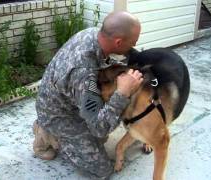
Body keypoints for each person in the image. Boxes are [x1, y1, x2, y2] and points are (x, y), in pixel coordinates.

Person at [33, 11, 143, 179]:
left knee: (101, 137)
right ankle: (48, 134)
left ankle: (51, 129)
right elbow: (99, 128)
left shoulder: (93, 34)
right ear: (118, 42)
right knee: (102, 170)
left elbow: (100, 71)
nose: (133, 47)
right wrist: (123, 92)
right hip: (59, 114)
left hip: (69, 99)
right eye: (132, 43)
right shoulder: (83, 73)